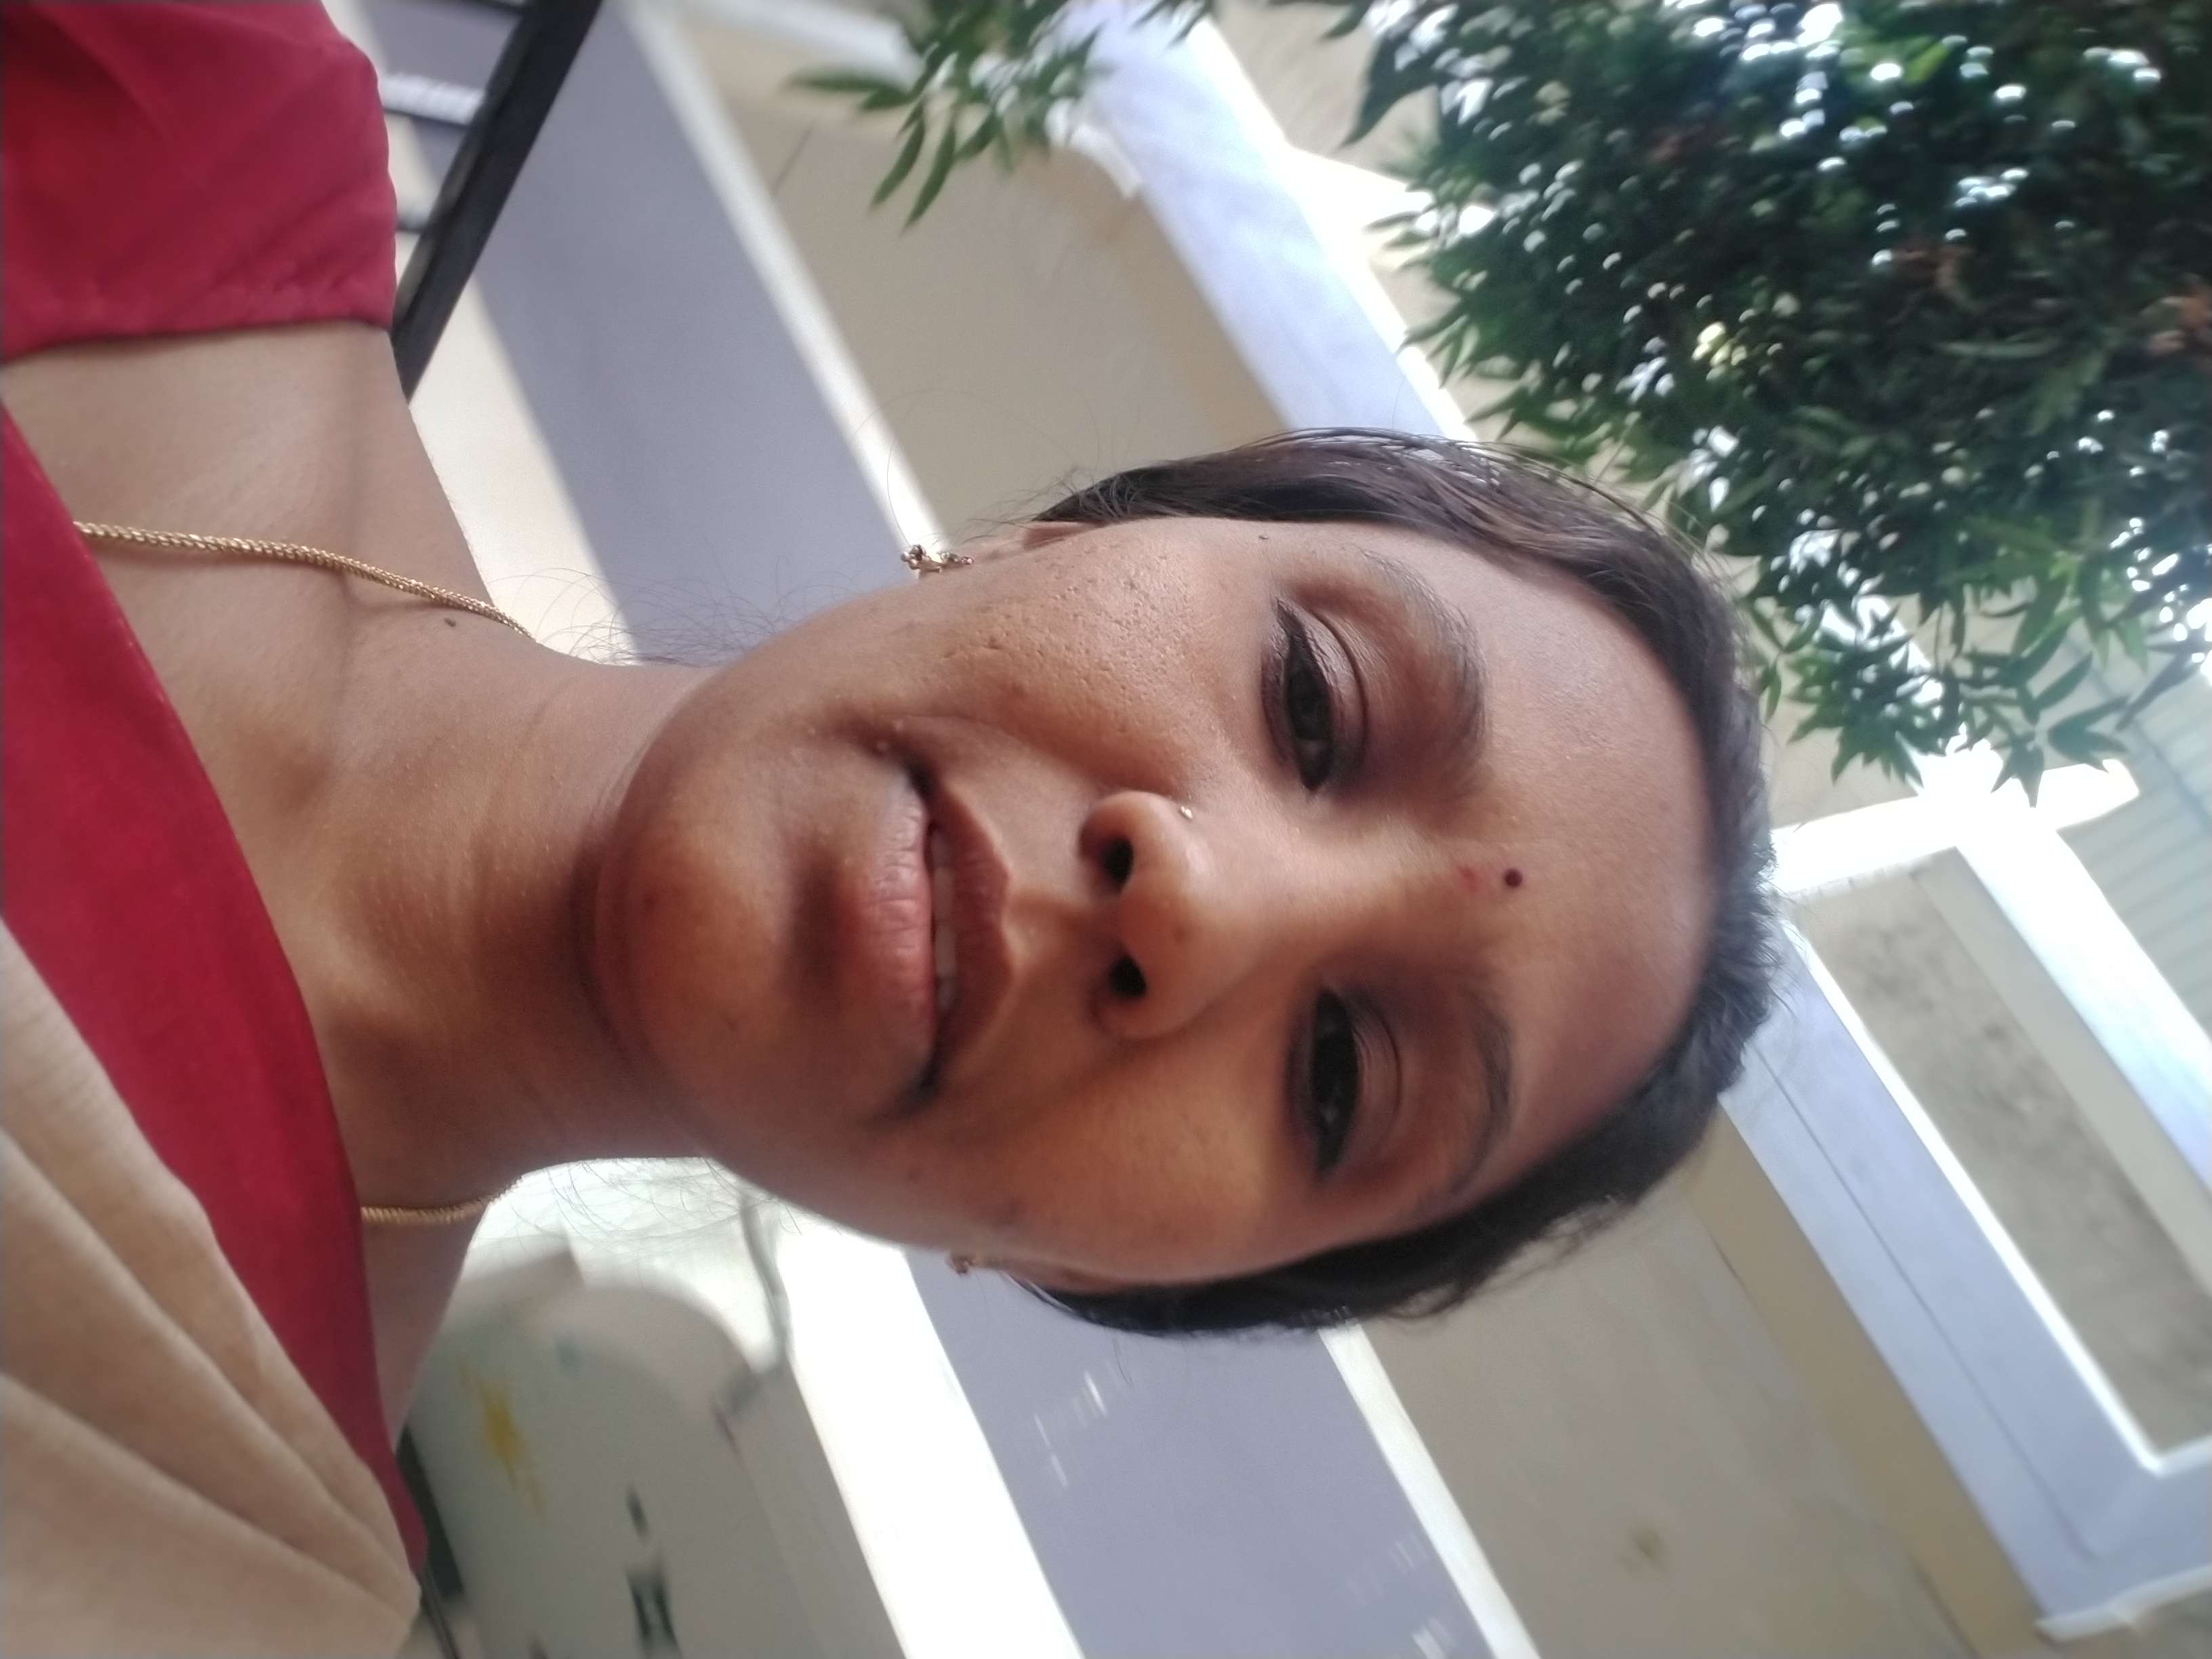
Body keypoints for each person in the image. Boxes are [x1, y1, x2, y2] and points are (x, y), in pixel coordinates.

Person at [1, 3, 1774, 1653]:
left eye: (1337, 1078)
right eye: (1312, 702)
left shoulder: (199, 1565)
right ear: (1057, 538)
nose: (1199, 902)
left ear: (1101, 1269)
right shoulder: (164, 77)